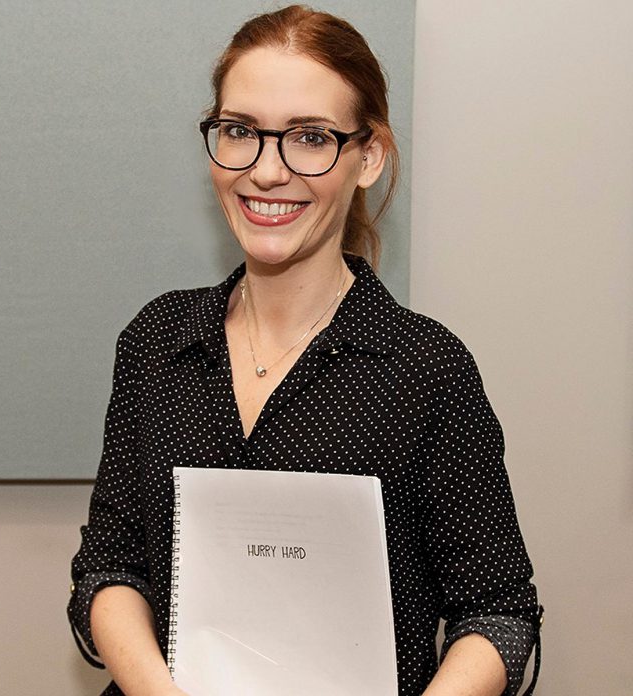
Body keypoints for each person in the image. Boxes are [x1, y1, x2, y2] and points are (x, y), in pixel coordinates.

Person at [68, 6, 542, 696]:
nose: (267, 171)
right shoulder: (155, 342)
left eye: (311, 138)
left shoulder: (425, 369)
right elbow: (110, 570)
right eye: (240, 132)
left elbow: (497, 615)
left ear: (368, 157)